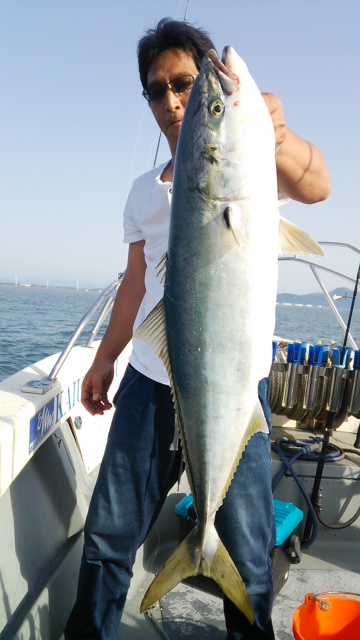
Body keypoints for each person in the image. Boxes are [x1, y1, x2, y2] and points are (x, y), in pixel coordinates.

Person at [65, 18, 331, 640]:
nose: (172, 102)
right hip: (151, 378)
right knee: (107, 540)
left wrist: (278, 139)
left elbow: (317, 185)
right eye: (156, 91)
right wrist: (104, 359)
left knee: (249, 554)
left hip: (236, 388)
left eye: (186, 84)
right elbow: (135, 285)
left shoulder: (246, 164)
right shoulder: (142, 194)